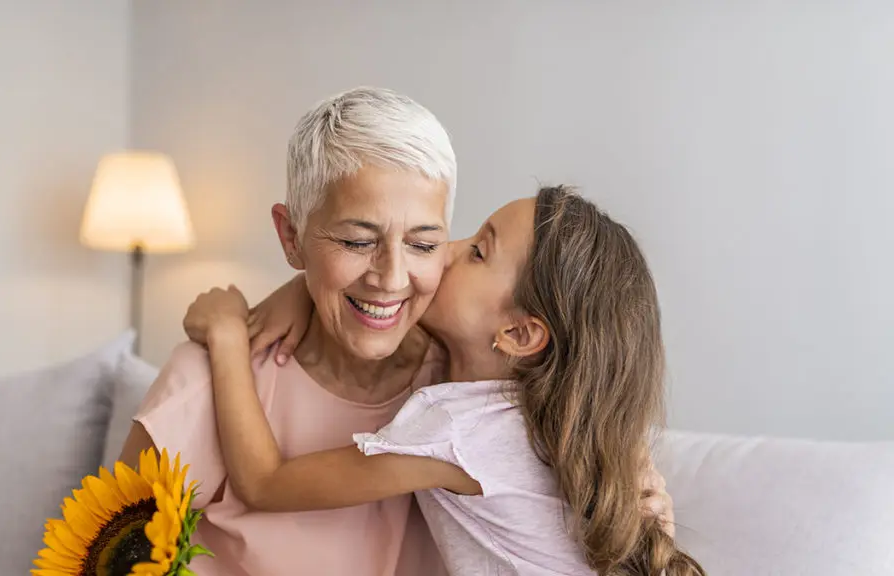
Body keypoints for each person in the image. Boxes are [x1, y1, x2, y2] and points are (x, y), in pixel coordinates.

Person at [123, 86, 672, 576]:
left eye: (428, 244)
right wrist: (285, 300)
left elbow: (265, 483)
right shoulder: (207, 383)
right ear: (292, 237)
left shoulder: (456, 407)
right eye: (357, 242)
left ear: (520, 335)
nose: (393, 277)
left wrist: (238, 330)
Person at [185, 187, 703, 575]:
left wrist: (228, 336)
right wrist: (303, 288)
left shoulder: (457, 429)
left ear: (519, 333)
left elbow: (265, 484)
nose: (446, 247)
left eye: (478, 250)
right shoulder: (537, 406)